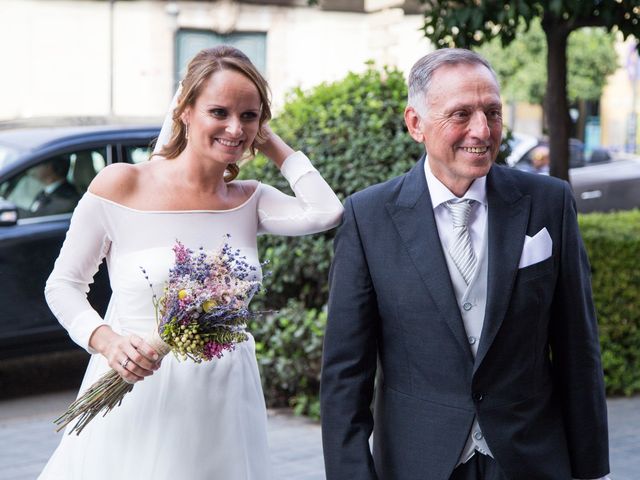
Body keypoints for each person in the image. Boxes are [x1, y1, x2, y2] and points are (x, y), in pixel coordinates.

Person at [39, 45, 343, 480]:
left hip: (227, 394)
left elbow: (326, 211)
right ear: (184, 111)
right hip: (140, 385)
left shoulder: (250, 200)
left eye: (249, 116)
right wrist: (107, 342)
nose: (235, 128)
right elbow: (63, 284)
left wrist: (273, 144)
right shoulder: (121, 184)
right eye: (219, 112)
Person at [320, 48, 609, 480]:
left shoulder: (549, 202)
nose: (482, 130)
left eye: (492, 112)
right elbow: (345, 374)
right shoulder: (369, 217)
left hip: (530, 459)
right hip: (419, 462)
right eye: (461, 114)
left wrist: (592, 470)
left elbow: (577, 349)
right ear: (415, 124)